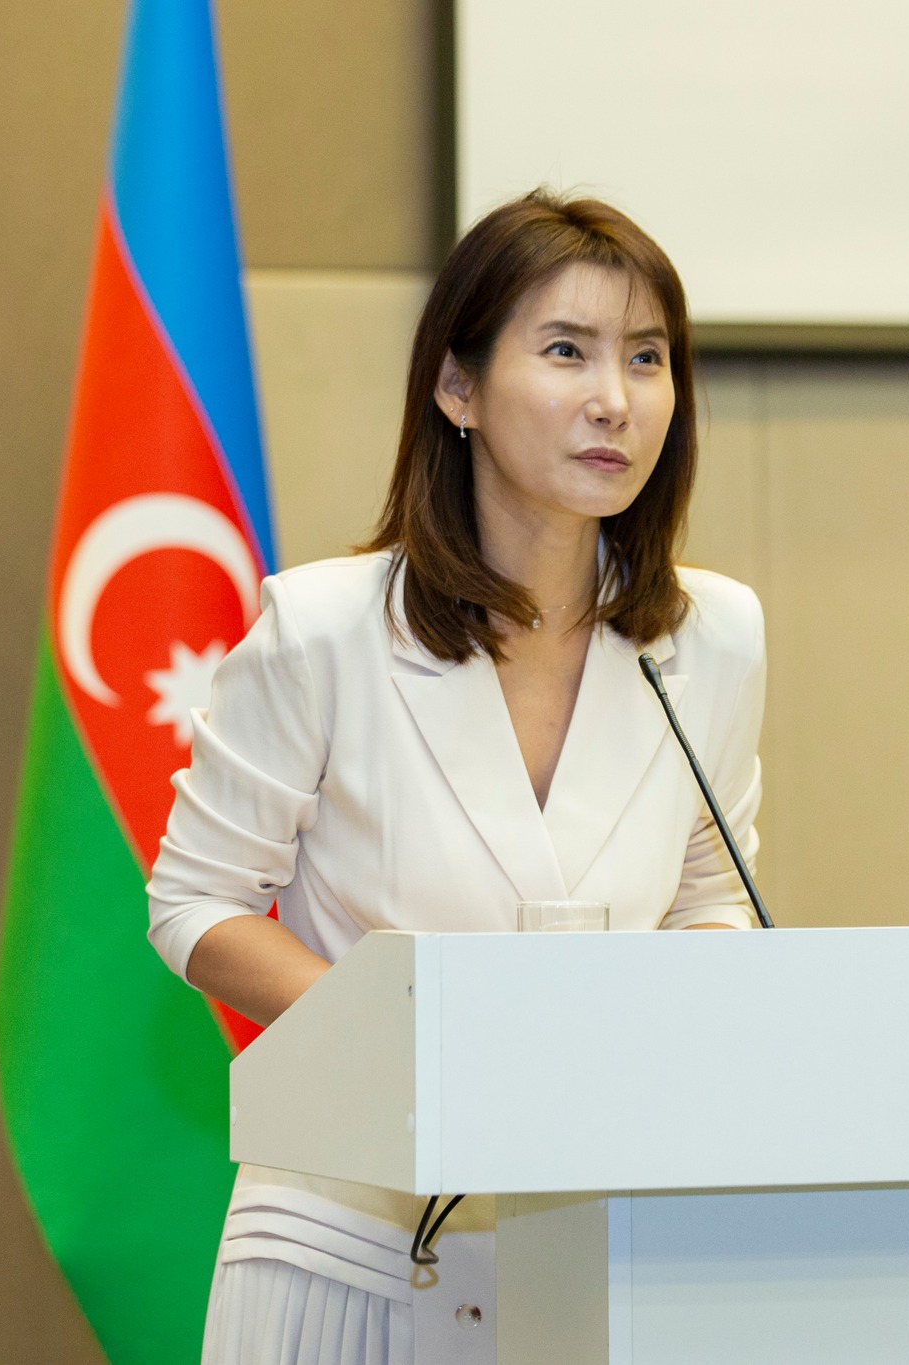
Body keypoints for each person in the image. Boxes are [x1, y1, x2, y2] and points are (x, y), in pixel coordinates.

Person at [145, 190, 765, 1365]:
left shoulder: (713, 636)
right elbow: (194, 904)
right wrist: (417, 1040)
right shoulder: (323, 629)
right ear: (456, 387)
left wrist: (686, 1006)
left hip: (598, 1246)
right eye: (567, 351)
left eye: (646, 358)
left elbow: (710, 890)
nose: (615, 399)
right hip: (345, 1250)